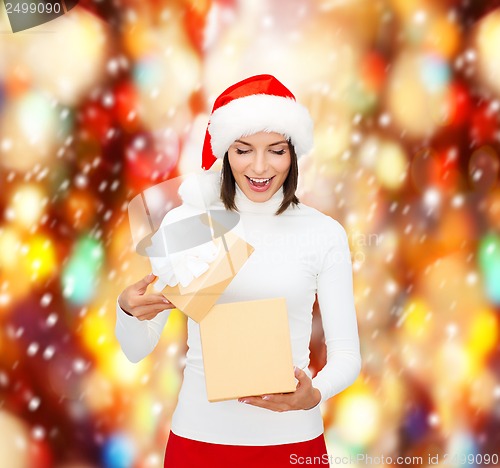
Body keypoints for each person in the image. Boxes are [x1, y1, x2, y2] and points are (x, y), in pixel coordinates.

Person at [115, 74, 362, 468]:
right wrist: (128, 310)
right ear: (225, 153)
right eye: (244, 150)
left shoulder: (323, 233)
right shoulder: (193, 223)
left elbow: (347, 354)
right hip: (198, 442)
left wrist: (315, 393)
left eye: (276, 150)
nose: (260, 167)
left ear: (294, 152)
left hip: (293, 445)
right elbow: (135, 349)